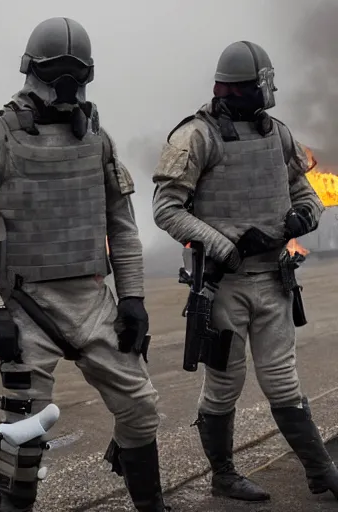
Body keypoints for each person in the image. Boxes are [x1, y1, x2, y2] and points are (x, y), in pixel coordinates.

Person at [0, 17, 169, 512]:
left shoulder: (98, 141)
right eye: (59, 71)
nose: (68, 83)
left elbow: (122, 226)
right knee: (25, 433)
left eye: (75, 72)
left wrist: (132, 298)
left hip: (91, 300)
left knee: (141, 406)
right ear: (35, 70)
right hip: (25, 306)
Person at [152, 40, 337, 503]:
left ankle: (320, 472)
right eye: (264, 82)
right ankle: (224, 474)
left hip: (273, 279)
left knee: (283, 381)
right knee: (223, 386)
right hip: (222, 286)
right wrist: (223, 245)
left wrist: (303, 218)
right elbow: (167, 209)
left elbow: (307, 193)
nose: (269, 91)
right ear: (243, 87)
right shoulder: (195, 136)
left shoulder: (276, 133)